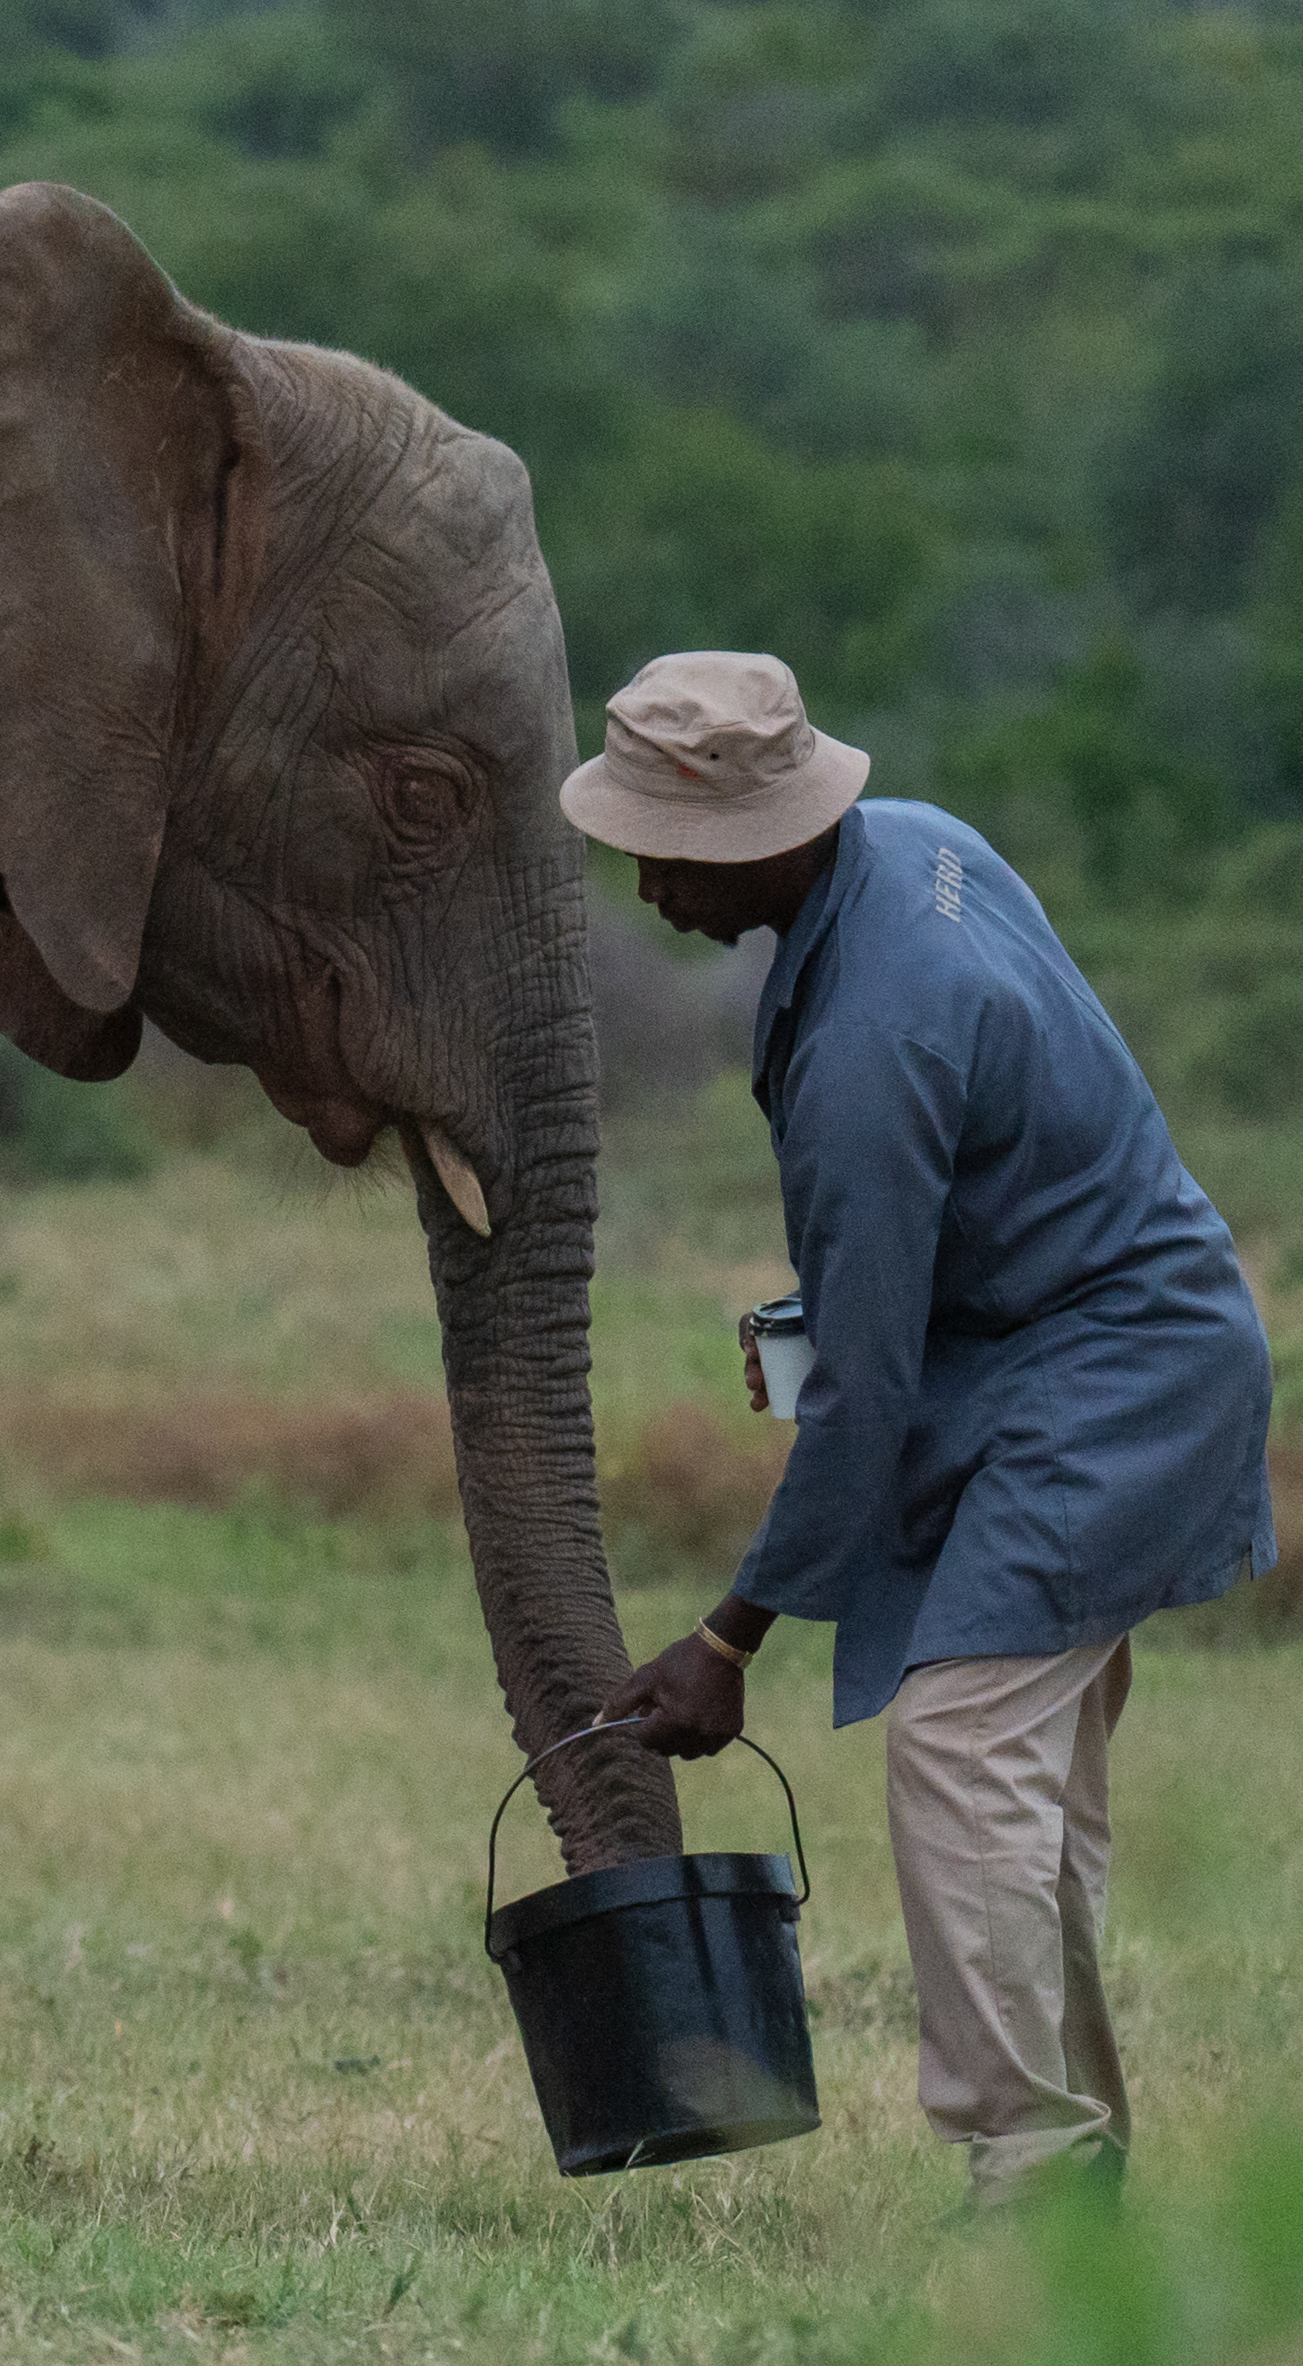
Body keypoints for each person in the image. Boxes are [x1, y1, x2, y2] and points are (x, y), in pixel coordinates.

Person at [563, 650, 1275, 2213]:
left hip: (1113, 1385)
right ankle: (1073, 2166)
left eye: (656, 850)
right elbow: (1000, 1169)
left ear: (752, 841)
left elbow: (870, 1400)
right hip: (1107, 1341)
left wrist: (725, 1635)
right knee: (1029, 1797)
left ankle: (1027, 2182)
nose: (643, 881)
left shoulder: (872, 1038)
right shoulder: (919, 844)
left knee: (959, 1749)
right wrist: (840, 1316)